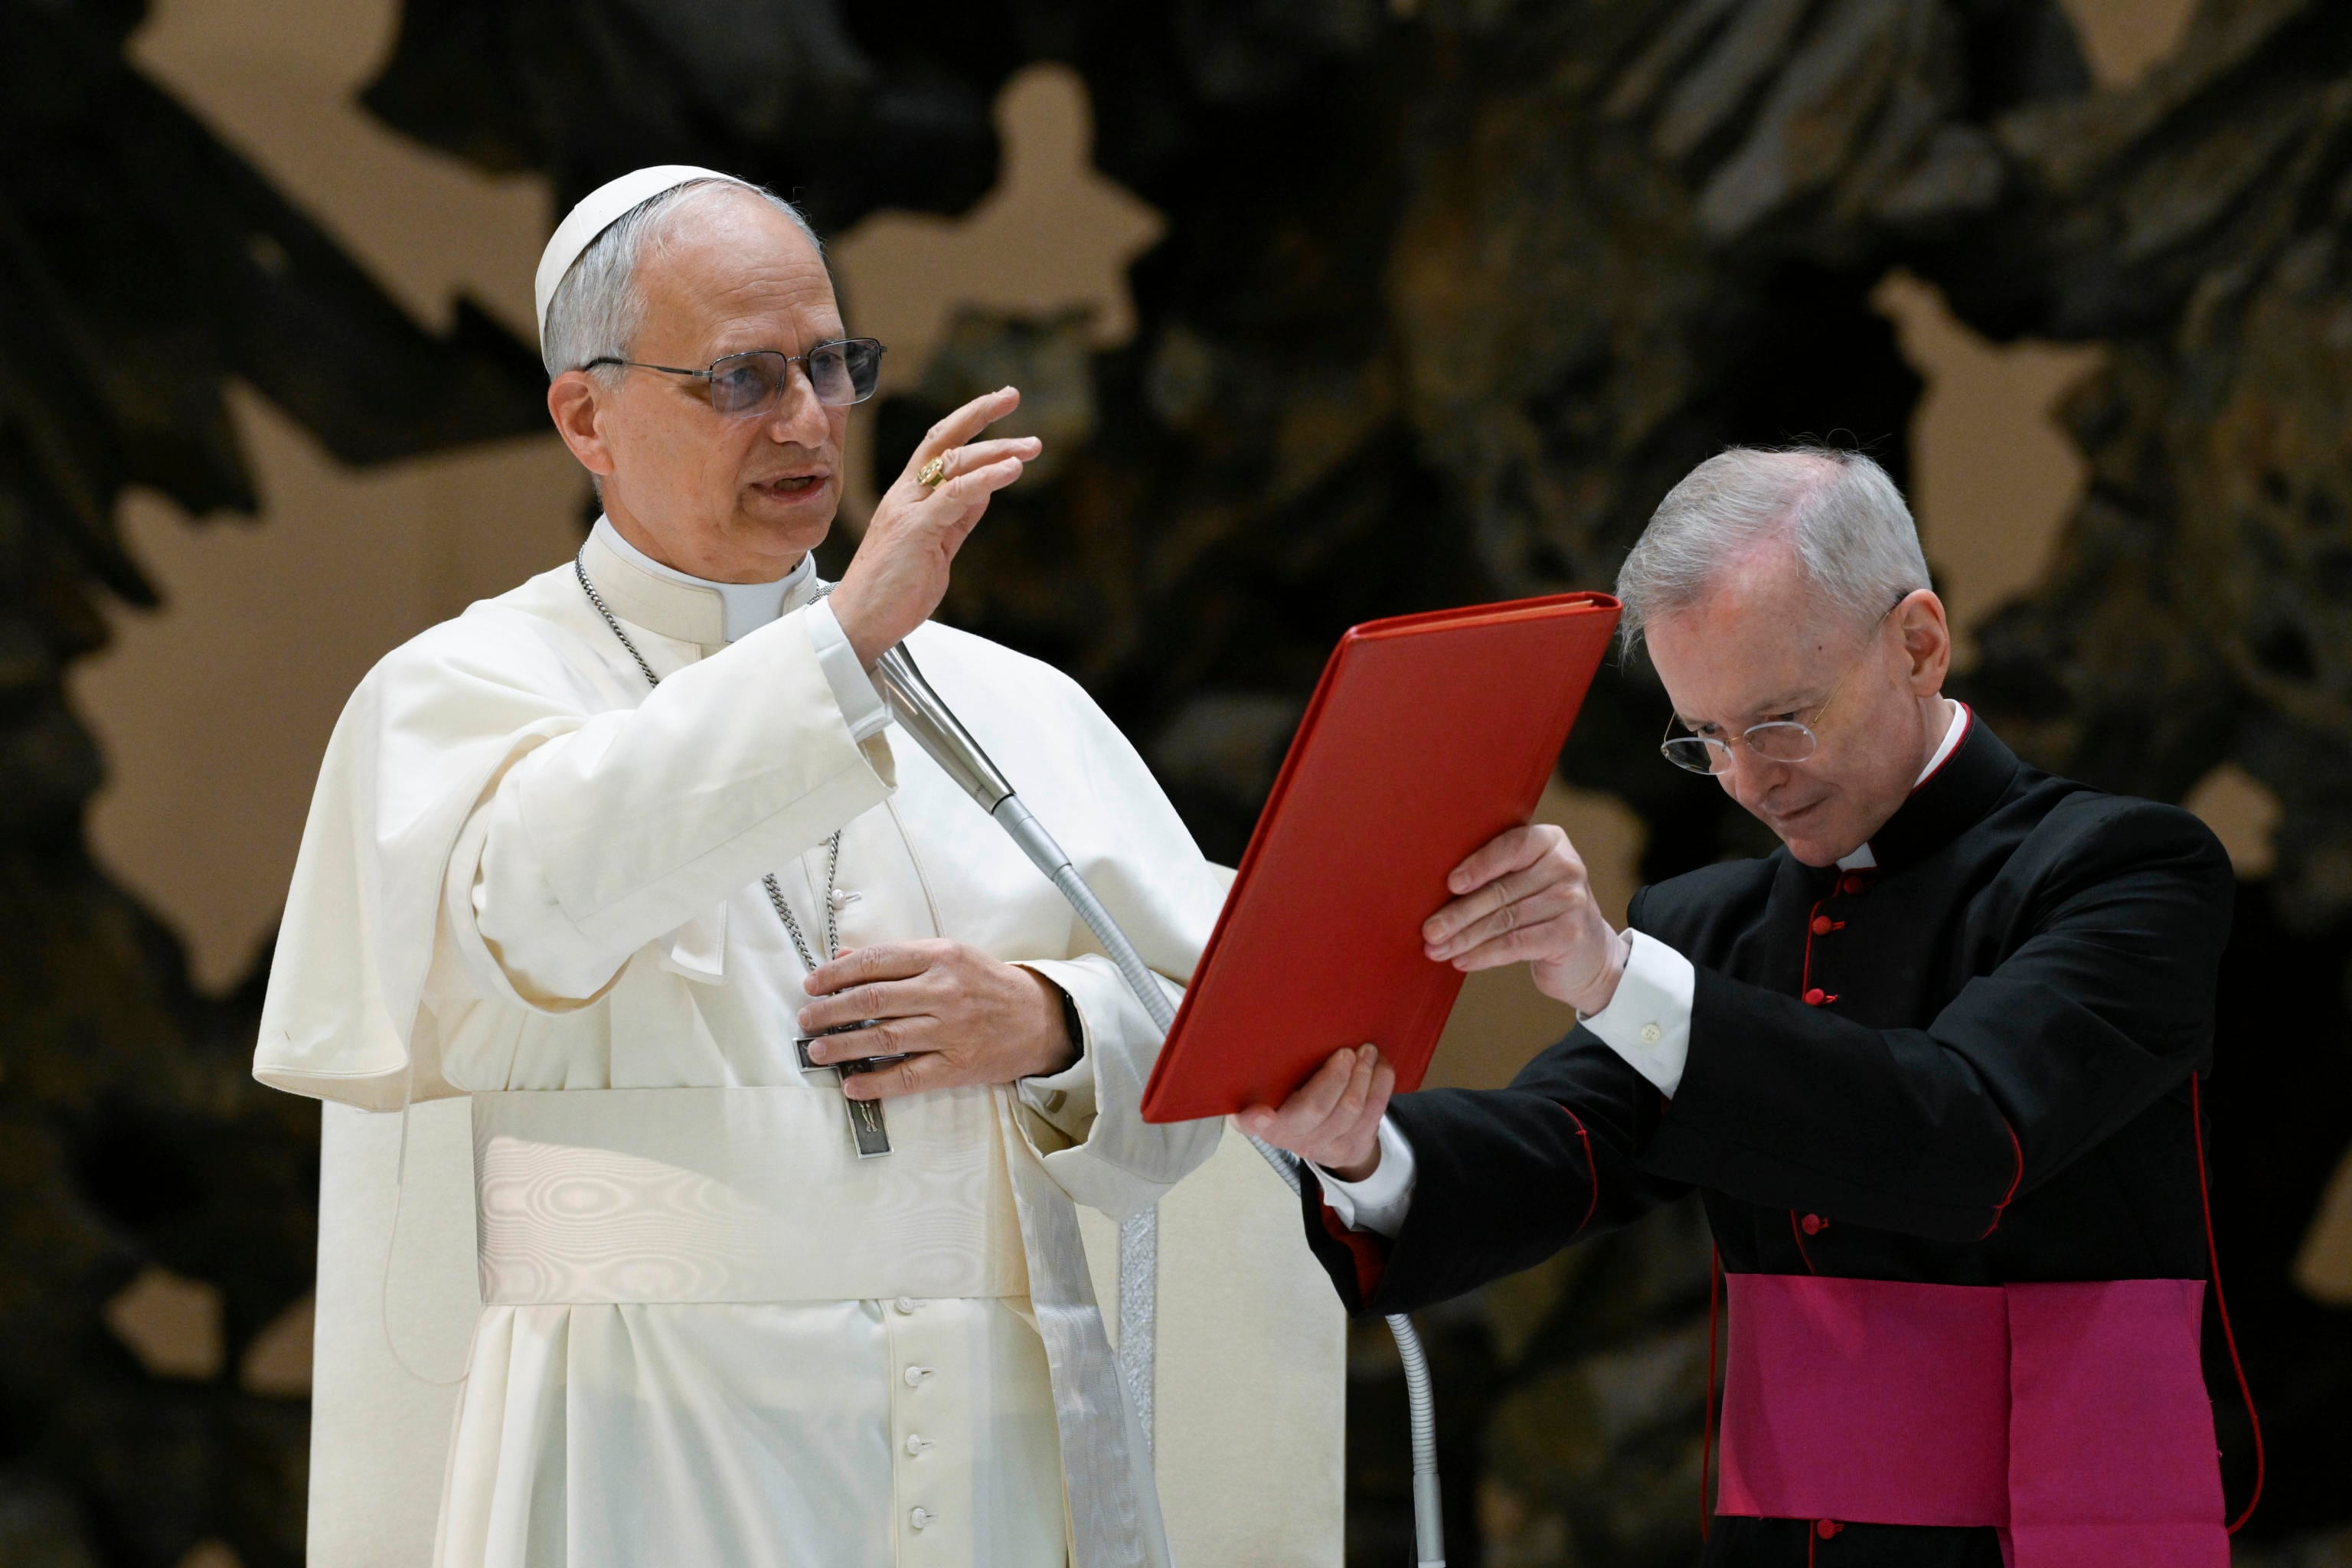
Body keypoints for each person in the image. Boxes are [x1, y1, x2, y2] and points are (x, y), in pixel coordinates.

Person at [253, 165, 1227, 1568]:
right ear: (585, 414)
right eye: (743, 379)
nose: (811, 421)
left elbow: (1216, 1048)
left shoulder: (1012, 704)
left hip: (994, 1450)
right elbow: (534, 910)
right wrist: (841, 644)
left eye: (831, 365)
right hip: (645, 1440)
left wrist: (1055, 1024)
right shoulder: (463, 687)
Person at [1244, 447, 2246, 1567]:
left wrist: (1613, 978)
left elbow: (1963, 1137)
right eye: (1706, 738)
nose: (1748, 782)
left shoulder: (2127, 869)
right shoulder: (1705, 922)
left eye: (1780, 722)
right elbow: (1572, 1145)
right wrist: (1364, 1151)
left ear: (1919, 643)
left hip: (2060, 1525)